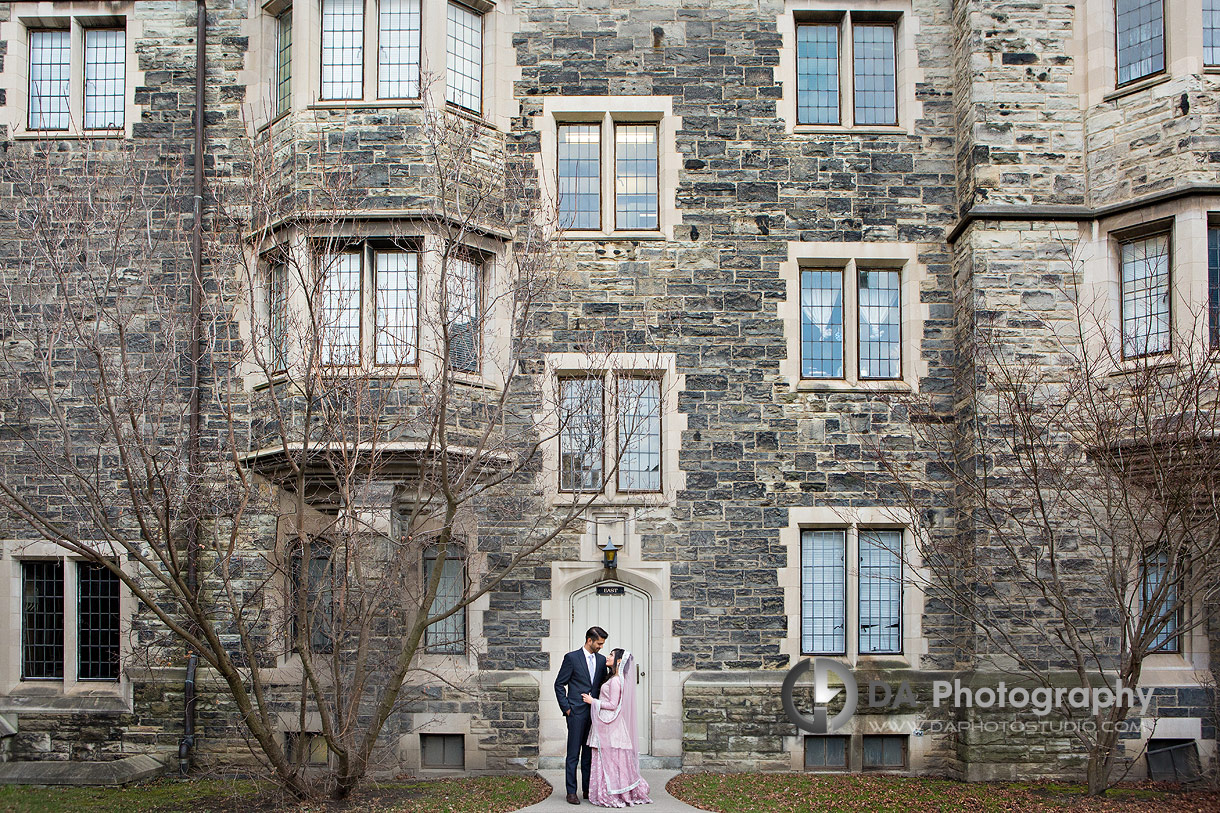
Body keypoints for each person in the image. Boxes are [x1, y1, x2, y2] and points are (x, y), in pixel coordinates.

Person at [581, 648, 652, 807]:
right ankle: (605, 790)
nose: (608, 656)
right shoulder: (613, 678)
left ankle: (613, 792)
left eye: (611, 655)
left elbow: (613, 705)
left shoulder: (615, 680)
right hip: (605, 722)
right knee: (606, 758)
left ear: (619, 661)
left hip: (609, 723)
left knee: (611, 759)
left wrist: (593, 702)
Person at [554, 626, 608, 805]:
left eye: (603, 644)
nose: (601, 646)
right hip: (576, 713)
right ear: (589, 640)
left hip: (594, 714)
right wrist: (567, 709)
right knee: (573, 754)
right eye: (599, 643)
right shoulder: (571, 658)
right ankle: (571, 792)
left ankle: (587, 789)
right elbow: (559, 684)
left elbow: (602, 686)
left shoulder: (601, 661)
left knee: (589, 754)